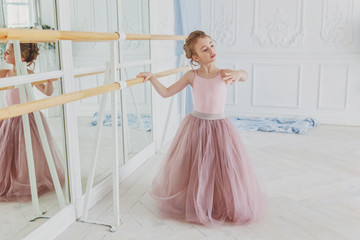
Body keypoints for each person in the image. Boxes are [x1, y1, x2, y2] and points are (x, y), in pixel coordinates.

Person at [137, 30, 267, 226]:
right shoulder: (192, 75)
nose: (211, 50)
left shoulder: (224, 73)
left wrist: (239, 73)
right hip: (196, 125)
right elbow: (166, 92)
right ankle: (197, 202)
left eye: (212, 45)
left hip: (220, 126)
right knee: (196, 167)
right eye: (204, 49)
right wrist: (153, 78)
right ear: (196, 57)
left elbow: (244, 76)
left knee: (222, 167)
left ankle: (220, 201)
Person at [0, 42, 65, 202]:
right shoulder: (6, 73)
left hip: (27, 118)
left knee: (25, 151)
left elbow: (47, 92)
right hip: (10, 117)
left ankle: (25, 180)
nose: (4, 54)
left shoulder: (28, 73)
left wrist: (49, 82)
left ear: (21, 57)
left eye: (8, 52)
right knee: (9, 152)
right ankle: (11, 178)